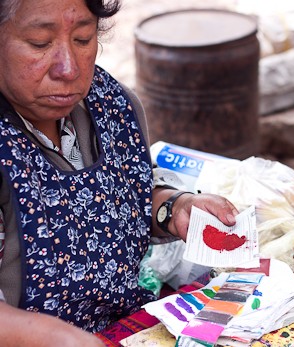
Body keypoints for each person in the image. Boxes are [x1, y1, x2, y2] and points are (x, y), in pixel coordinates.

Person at [0, 0, 239, 345]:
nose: (68, 69)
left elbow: (131, 188)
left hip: (123, 325)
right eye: (40, 43)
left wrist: (173, 207)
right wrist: (60, 339)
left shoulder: (111, 104)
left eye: (82, 39)